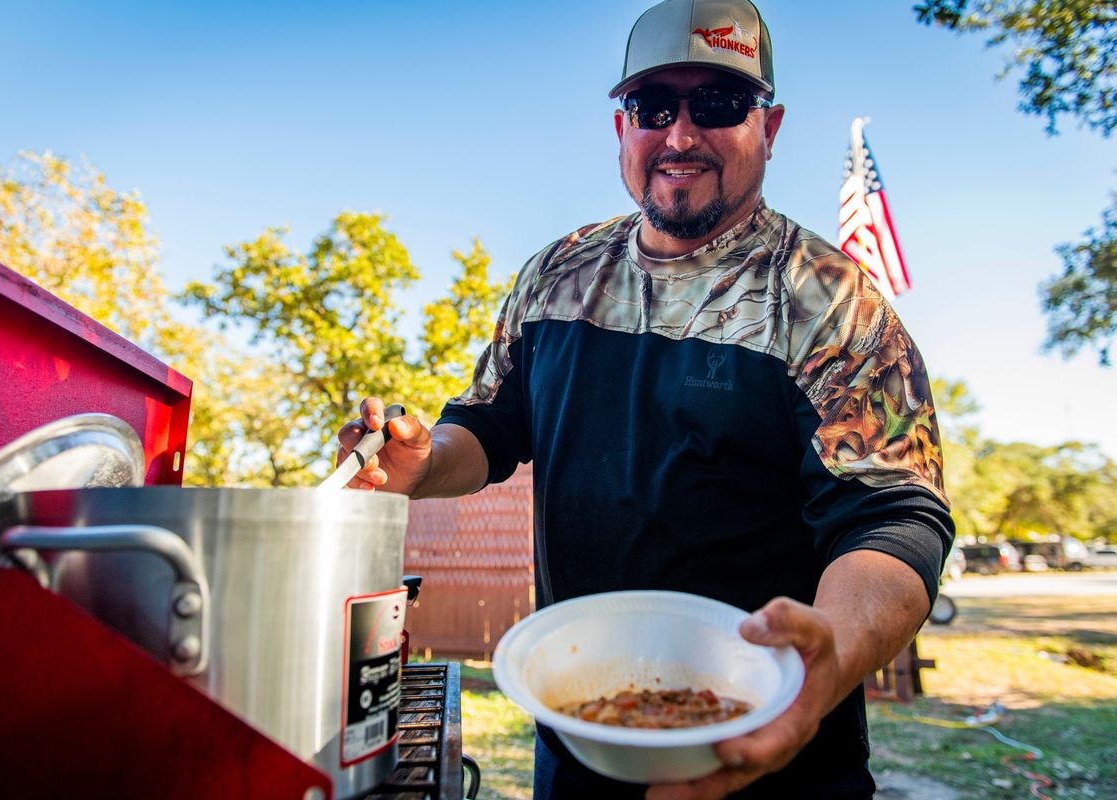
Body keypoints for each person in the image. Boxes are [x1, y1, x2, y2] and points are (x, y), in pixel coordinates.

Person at [338, 0, 953, 797]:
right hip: (582, 741)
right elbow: (488, 430)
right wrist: (423, 463)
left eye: (720, 104)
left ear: (768, 128)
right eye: (654, 107)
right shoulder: (556, 274)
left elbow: (896, 517)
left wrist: (830, 649)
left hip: (770, 754)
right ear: (621, 129)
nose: (682, 135)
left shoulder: (829, 300)